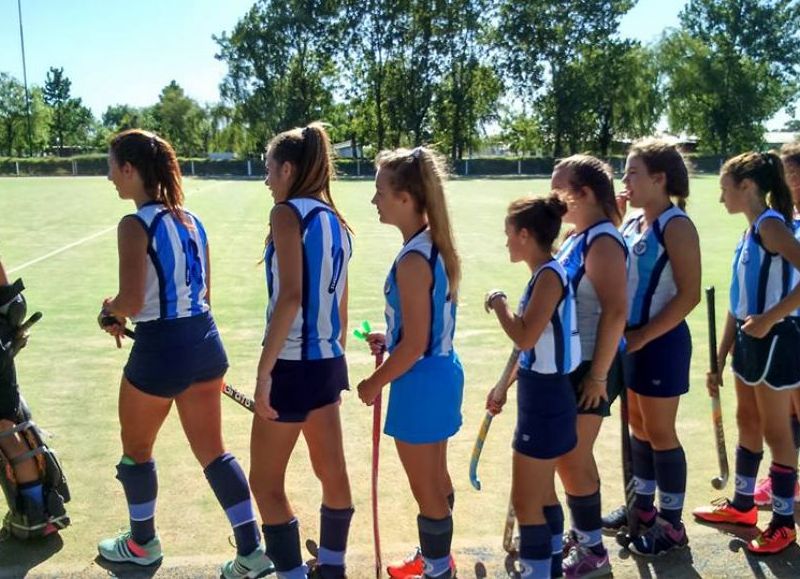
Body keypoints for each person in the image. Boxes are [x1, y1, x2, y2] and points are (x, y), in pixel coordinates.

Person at [97, 129, 273, 578]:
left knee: (136, 451)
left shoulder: (133, 224)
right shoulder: (193, 220)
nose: (110, 176)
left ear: (131, 169)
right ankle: (252, 553)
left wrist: (111, 310)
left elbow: (133, 303)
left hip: (160, 350)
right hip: (204, 343)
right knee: (214, 452)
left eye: (113, 166)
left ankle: (142, 544)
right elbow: (203, 294)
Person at [250, 123, 354, 579]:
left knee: (265, 481)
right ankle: (331, 567)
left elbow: (290, 297)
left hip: (291, 366)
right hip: (328, 363)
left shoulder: (287, 215)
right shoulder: (337, 220)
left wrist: (263, 373)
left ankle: (291, 572)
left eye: (269, 170)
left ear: (288, 169)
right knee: (332, 473)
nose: (267, 180)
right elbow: (343, 310)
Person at [357, 146, 463, 579]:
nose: (374, 200)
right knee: (436, 482)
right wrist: (393, 335)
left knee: (428, 491)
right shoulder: (429, 245)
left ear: (406, 198)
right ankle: (437, 557)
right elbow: (419, 329)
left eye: (380, 191)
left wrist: (374, 382)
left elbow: (416, 342)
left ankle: (438, 569)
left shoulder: (414, 258)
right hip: (438, 373)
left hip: (420, 381)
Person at [693, 151, 800, 554]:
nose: (721, 198)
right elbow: (737, 305)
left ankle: (784, 523)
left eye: (724, 189)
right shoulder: (749, 231)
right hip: (749, 340)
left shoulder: (771, 226)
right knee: (747, 420)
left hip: (776, 341)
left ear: (747, 186)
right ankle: (742, 506)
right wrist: (721, 356)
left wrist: (771, 318)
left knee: (776, 432)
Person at [604, 138, 701, 557]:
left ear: (660, 179)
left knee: (660, 432)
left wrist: (645, 335)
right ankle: (641, 509)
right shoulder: (631, 222)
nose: (624, 179)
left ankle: (671, 524)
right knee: (638, 427)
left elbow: (689, 295)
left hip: (661, 342)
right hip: (631, 341)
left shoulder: (676, 225)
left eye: (633, 172)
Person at [485, 194, 581, 579]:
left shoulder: (548, 276)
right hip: (544, 392)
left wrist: (499, 303)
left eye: (509, 233)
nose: (506, 241)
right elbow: (533, 348)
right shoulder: (546, 273)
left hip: (546, 398)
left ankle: (538, 571)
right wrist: (504, 385)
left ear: (525, 234)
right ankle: (550, 567)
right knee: (543, 496)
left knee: (527, 503)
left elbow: (524, 337)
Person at [551, 156, 627, 577]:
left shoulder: (603, 241)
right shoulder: (577, 236)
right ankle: (584, 534)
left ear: (584, 194)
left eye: (558, 188)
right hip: (570, 362)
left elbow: (616, 311)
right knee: (568, 454)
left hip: (590, 366)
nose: (552, 198)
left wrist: (598, 375)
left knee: (573, 454)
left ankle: (593, 550)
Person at [750, 143, 800, 507]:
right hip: (790, 327)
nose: (789, 181)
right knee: (789, 411)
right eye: (785, 174)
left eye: (794, 174)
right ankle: (787, 481)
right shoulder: (783, 219)